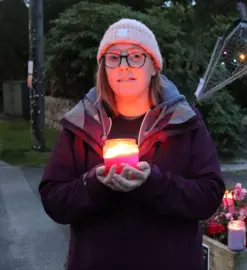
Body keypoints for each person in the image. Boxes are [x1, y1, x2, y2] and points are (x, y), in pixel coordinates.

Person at [39, 18, 226, 270]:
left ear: (154, 66)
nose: (124, 66)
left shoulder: (184, 122)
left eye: (136, 56)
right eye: (114, 57)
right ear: (103, 67)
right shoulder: (81, 124)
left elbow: (209, 195)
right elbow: (54, 199)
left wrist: (155, 183)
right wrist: (94, 183)